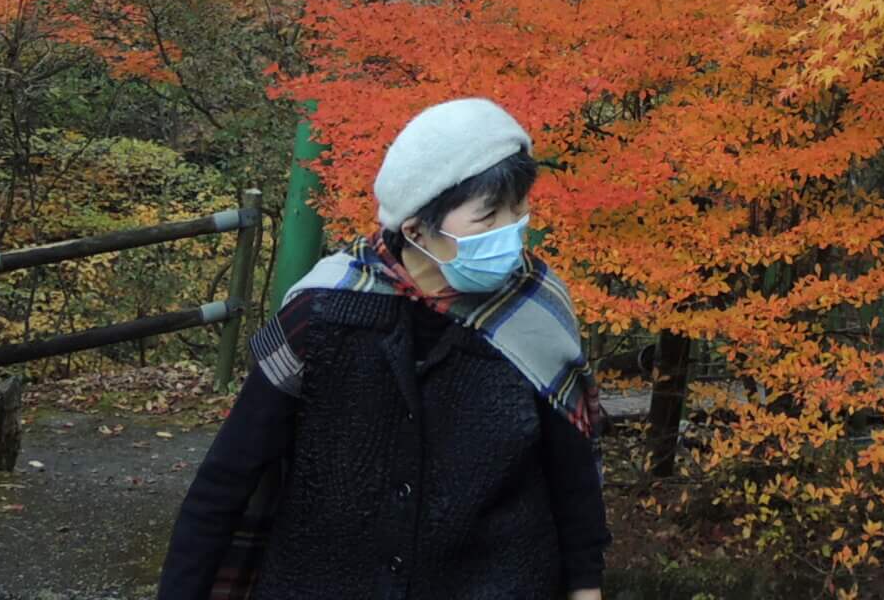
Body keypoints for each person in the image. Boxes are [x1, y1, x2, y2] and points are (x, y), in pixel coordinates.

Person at [156, 98, 609, 600]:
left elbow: (573, 481)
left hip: (498, 580)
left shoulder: (535, 310)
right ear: (415, 230)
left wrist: (585, 586)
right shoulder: (323, 312)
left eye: (519, 206)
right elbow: (230, 472)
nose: (514, 227)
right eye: (489, 218)